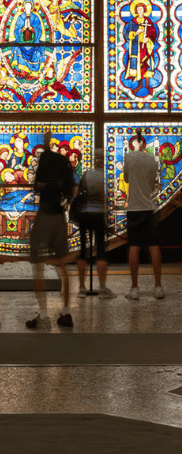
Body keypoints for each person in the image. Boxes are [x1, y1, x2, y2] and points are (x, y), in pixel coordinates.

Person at [27, 131, 75, 329]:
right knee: (62, 265)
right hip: (59, 217)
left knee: (37, 265)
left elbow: (38, 186)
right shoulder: (64, 163)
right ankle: (65, 312)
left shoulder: (45, 159)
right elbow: (70, 191)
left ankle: (44, 314)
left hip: (45, 214)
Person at [122, 131, 163, 299]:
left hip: (134, 208)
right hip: (149, 208)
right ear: (144, 144)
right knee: (154, 247)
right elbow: (153, 183)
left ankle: (134, 288)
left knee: (134, 247)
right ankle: (158, 287)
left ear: (134, 144)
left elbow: (126, 179)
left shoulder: (129, 157)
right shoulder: (151, 159)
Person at [75, 148, 115, 298]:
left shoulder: (87, 174)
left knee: (82, 251)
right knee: (100, 250)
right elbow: (106, 198)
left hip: (85, 214)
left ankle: (81, 288)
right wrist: (109, 219)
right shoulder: (105, 176)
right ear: (103, 161)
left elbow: (79, 193)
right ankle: (103, 288)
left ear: (93, 161)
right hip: (98, 214)